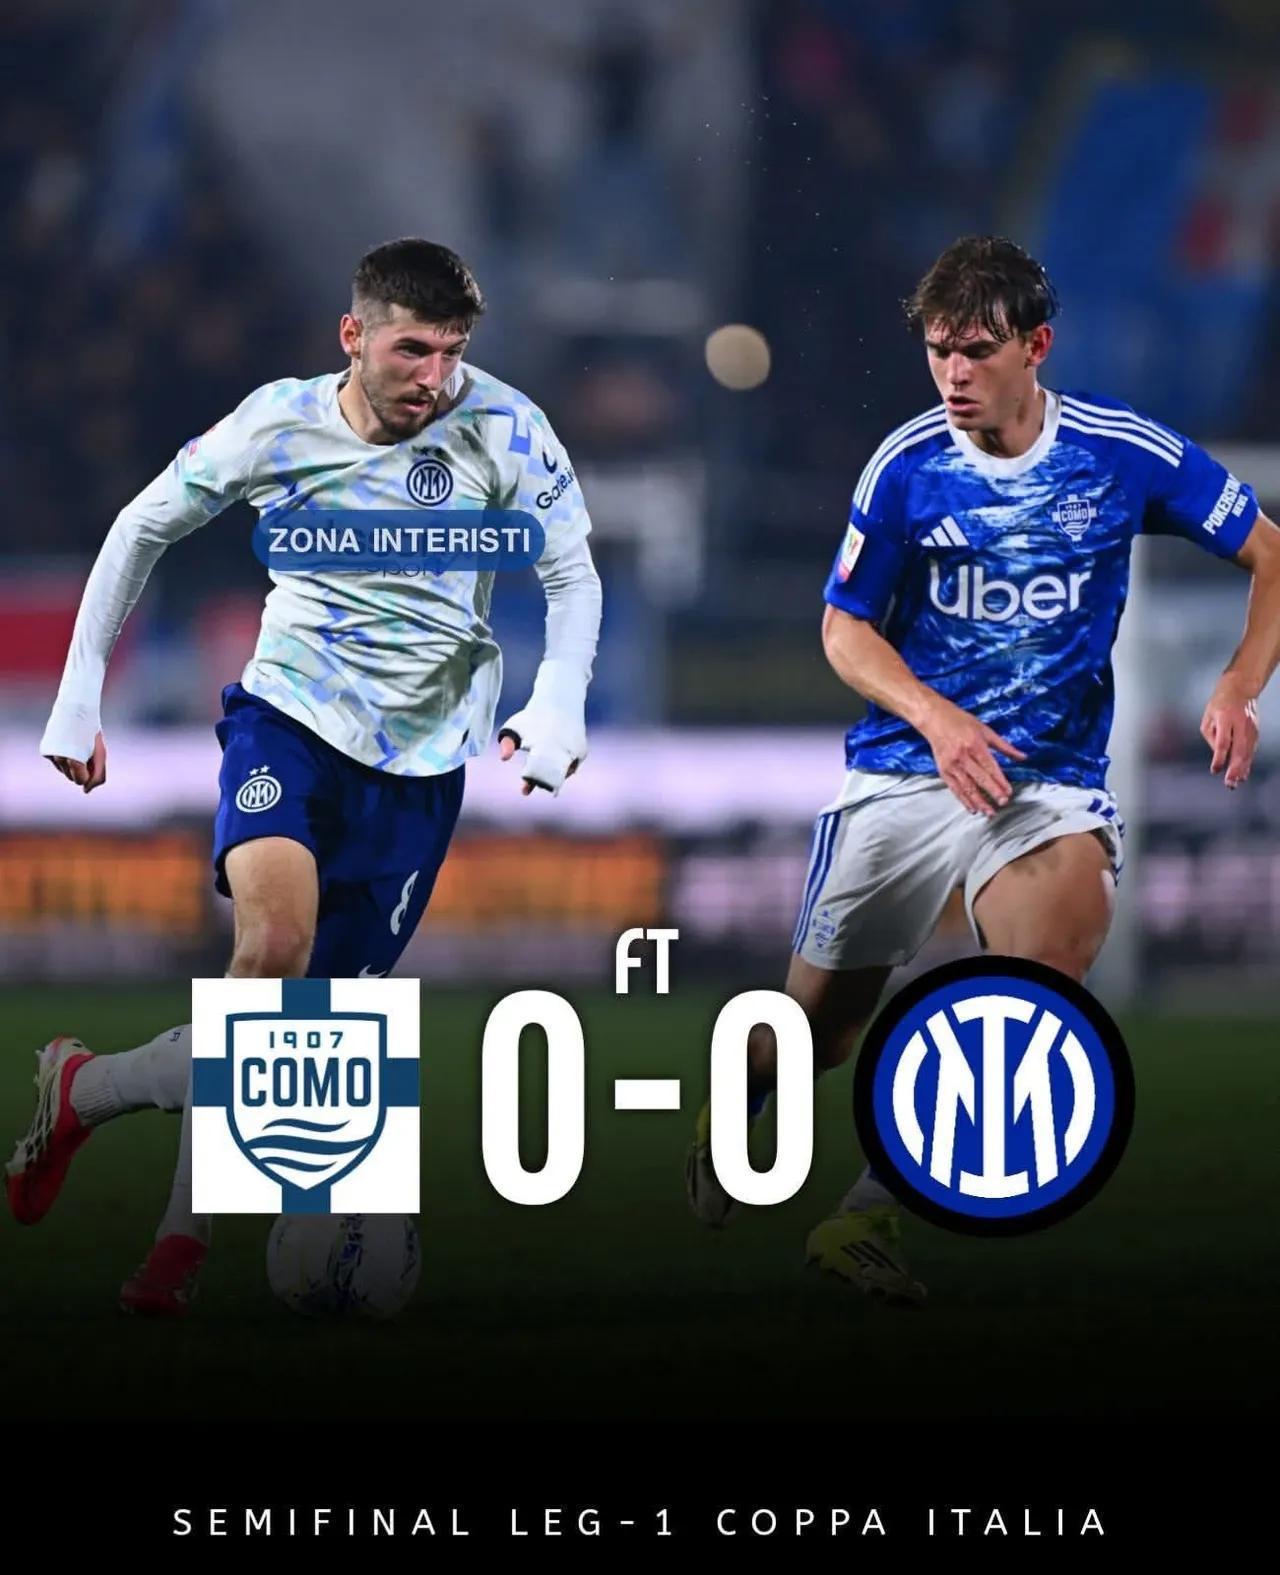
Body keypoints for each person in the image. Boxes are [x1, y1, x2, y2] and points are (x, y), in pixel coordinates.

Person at [7, 238, 603, 1315]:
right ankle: (180, 1244)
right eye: (412, 350)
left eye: (453, 352)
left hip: (422, 761)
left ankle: (85, 1088)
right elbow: (142, 526)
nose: (435, 377)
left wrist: (556, 705)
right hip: (290, 718)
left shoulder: (506, 427)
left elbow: (571, 572)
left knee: (300, 1039)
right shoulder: (275, 422)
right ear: (353, 335)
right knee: (271, 947)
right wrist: (78, 696)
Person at [688, 234, 1280, 1303]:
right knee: (816, 1032)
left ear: (1035, 347)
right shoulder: (907, 467)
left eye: (975, 350)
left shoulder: (1118, 451)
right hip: (907, 771)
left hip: (1047, 781)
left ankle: (866, 1219)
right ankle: (739, 1104)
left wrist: (1239, 684)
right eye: (937, 351)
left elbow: (1269, 552)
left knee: (1036, 992)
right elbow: (842, 629)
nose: (952, 373)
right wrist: (937, 718)